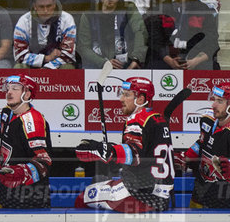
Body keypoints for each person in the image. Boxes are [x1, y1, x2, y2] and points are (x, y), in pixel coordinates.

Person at [73, 77, 174, 213]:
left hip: (140, 196)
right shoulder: (159, 119)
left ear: (141, 99)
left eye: (127, 95)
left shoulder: (137, 119)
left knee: (82, 198)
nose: (121, 99)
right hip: (162, 197)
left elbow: (134, 153)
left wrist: (103, 150)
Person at [0, 73, 53, 210]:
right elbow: (3, 131)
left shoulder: (32, 121)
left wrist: (21, 172)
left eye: (15, 88)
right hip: (6, 189)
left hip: (29, 195)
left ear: (27, 94)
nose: (9, 92)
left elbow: (44, 161)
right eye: (8, 88)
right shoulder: (8, 113)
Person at [176, 84, 230, 211]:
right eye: (214, 100)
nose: (213, 105)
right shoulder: (208, 119)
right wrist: (186, 157)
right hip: (201, 192)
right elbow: (202, 143)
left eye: (220, 101)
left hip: (228, 199)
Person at [151, 0, 218, 70]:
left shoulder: (203, 10)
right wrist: (169, 60)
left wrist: (195, 61)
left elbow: (212, 41)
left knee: (213, 66)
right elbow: (154, 40)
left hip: (196, 62)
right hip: (166, 61)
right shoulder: (161, 9)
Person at [80, 0, 147, 70]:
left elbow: (140, 32)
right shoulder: (88, 15)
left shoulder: (129, 9)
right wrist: (103, 63)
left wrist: (136, 59)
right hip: (97, 67)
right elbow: (83, 47)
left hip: (126, 65)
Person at [13, 0, 77, 69]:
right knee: (19, 67)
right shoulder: (24, 21)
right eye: (41, 7)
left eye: (49, 6)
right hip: (32, 65)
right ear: (35, 6)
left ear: (54, 5)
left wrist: (47, 68)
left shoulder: (67, 19)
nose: (45, 10)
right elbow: (19, 55)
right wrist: (46, 58)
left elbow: (69, 55)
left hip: (57, 65)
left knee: (68, 68)